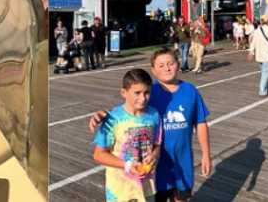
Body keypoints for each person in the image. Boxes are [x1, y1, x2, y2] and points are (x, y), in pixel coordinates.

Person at [90, 49, 211, 202]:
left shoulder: (190, 91)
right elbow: (127, 108)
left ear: (178, 64)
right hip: (153, 172)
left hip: (182, 163)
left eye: (170, 63)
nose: (167, 68)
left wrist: (206, 154)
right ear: (153, 70)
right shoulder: (149, 91)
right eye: (161, 65)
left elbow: (200, 123)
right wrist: (105, 114)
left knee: (181, 197)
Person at [92, 69, 162, 202]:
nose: (143, 98)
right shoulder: (113, 119)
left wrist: (154, 155)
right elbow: (99, 154)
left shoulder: (154, 115)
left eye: (147, 92)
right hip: (120, 190)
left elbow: (157, 143)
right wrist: (128, 165)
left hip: (146, 187)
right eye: (137, 93)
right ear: (123, 92)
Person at [248, 15, 268, 97]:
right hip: (267, 54)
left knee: (263, 72)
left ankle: (267, 86)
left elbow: (253, 42)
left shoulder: (257, 30)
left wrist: (251, 52)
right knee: (267, 73)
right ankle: (262, 90)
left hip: (259, 55)